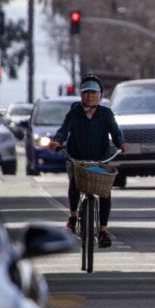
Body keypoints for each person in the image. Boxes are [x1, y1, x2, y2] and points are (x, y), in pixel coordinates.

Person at [48, 74, 129, 248]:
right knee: (74, 182)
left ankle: (102, 230)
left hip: (100, 159)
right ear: (81, 95)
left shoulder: (106, 114)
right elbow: (63, 130)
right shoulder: (75, 112)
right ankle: (72, 217)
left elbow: (116, 132)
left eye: (93, 92)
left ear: (100, 95)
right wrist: (57, 142)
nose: (89, 96)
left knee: (105, 191)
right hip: (77, 157)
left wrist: (121, 143)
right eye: (85, 92)